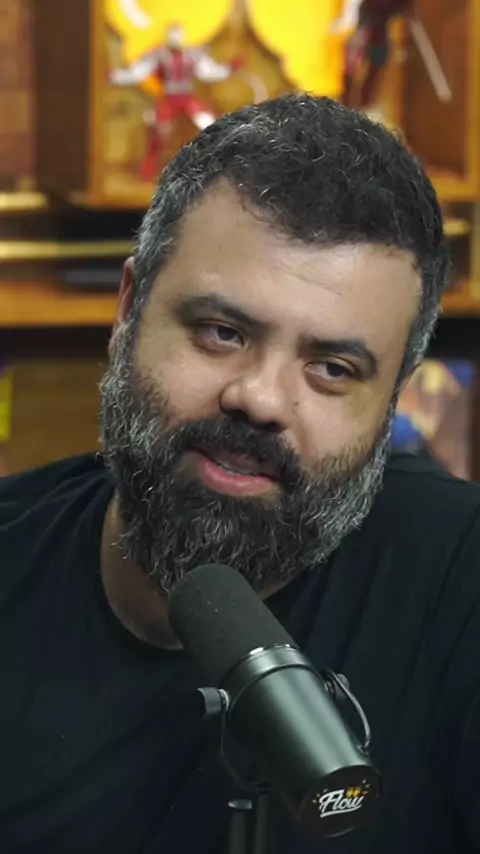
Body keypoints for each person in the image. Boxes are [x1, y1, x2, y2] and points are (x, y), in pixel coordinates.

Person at [2, 94, 479, 854]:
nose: (259, 399)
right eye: (222, 332)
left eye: (332, 368)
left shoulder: (461, 584)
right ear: (129, 310)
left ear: (391, 398)